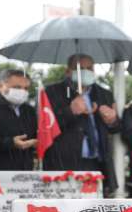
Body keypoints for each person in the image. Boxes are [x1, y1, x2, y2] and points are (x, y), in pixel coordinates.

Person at [44, 54, 120, 195]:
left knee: (93, 210)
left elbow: (116, 128)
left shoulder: (104, 94)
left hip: (97, 163)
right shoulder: (52, 92)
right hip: (64, 163)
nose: (85, 71)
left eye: (89, 68)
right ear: (68, 72)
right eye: (80, 68)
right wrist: (70, 111)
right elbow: (45, 128)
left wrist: (112, 120)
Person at [0, 69, 37, 170]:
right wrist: (10, 143)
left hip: (24, 173)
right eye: (17, 87)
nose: (22, 91)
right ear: (0, 86)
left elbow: (33, 136)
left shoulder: (28, 110)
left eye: (26, 88)